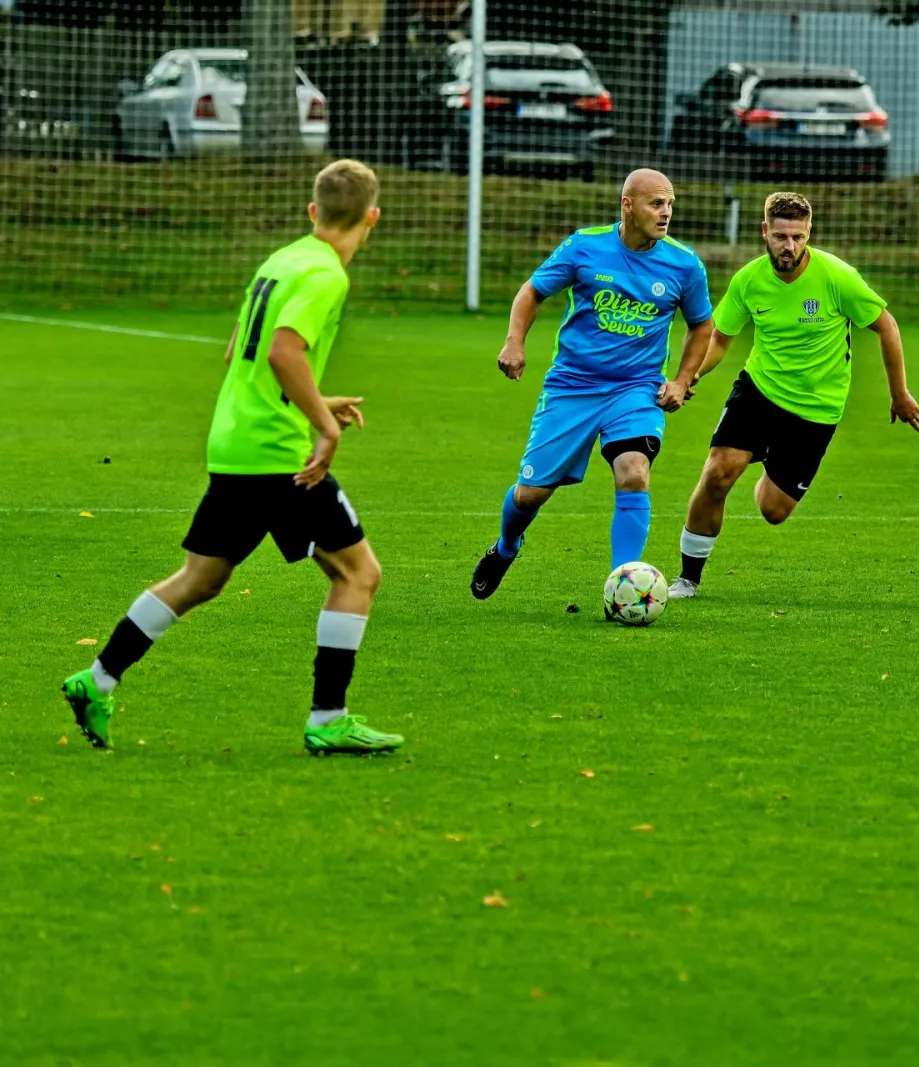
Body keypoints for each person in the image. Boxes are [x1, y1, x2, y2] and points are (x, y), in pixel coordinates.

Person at [60, 160, 404, 753]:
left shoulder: (282, 261)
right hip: (278, 455)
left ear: (313, 211)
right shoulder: (326, 275)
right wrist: (324, 426)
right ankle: (329, 719)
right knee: (358, 574)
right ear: (372, 217)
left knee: (201, 578)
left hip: (234, 445)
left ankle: (97, 680)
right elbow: (282, 353)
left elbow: (238, 356)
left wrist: (317, 399)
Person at [669, 191, 919, 600]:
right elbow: (720, 337)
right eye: (781, 236)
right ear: (765, 232)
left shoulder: (836, 277)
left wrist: (900, 394)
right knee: (717, 472)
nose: (789, 246)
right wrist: (690, 377)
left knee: (774, 511)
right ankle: (688, 579)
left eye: (798, 237)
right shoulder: (749, 280)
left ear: (809, 234)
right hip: (759, 390)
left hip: (816, 408)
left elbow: (887, 327)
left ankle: (768, 463)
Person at [470, 169, 713, 601]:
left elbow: (702, 325)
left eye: (670, 204)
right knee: (530, 495)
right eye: (656, 203)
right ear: (628, 205)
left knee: (633, 471)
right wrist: (514, 342)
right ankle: (506, 546)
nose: (666, 213)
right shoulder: (585, 246)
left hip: (636, 389)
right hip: (572, 386)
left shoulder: (684, 264)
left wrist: (681, 379)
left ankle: (624, 587)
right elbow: (532, 292)